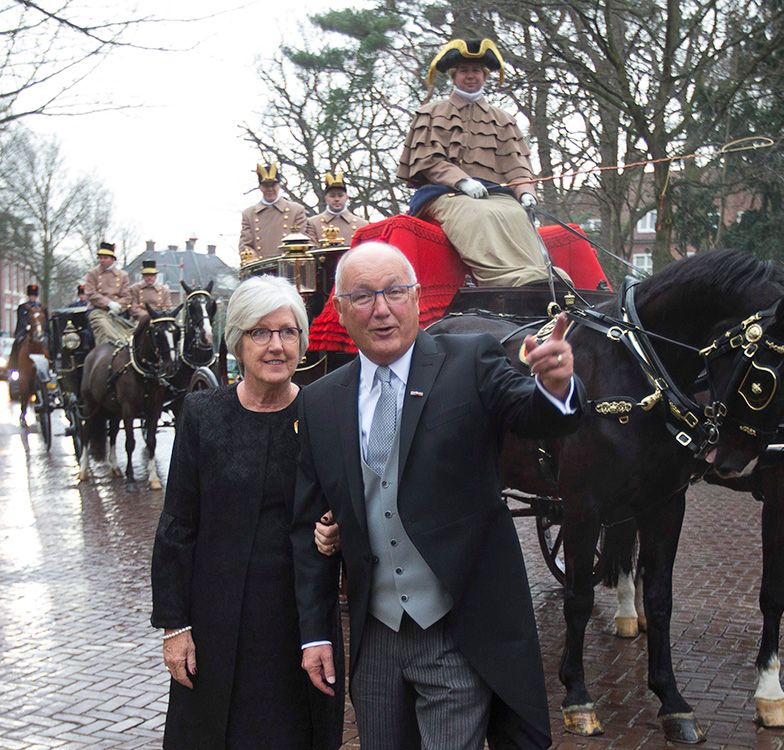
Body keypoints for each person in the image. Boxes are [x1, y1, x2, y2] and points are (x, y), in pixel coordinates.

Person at [291, 240, 582, 749]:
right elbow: (311, 525)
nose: (381, 310)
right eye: (362, 297)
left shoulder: (468, 359)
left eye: (394, 292)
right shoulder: (320, 401)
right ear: (339, 310)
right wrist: (317, 632)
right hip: (374, 637)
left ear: (417, 297)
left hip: (454, 630)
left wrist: (556, 388)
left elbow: (529, 414)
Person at [151, 275, 343, 750]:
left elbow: (354, 504)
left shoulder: (325, 415)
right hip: (214, 623)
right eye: (261, 332)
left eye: (288, 332)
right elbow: (177, 525)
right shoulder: (202, 414)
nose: (276, 346)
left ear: (302, 340)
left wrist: (341, 529)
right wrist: (175, 627)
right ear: (237, 341)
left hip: (297, 623)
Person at [397, 38, 568, 288]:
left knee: (516, 214)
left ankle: (539, 276)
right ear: (454, 75)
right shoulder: (431, 113)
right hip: (444, 194)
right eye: (464, 71)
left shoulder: (503, 119)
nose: (470, 76)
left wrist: (526, 193)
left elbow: (516, 163)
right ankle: (501, 280)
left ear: (485, 75)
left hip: (494, 193)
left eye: (476, 71)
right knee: (479, 214)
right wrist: (462, 181)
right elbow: (429, 160)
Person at [239, 162, 308, 262]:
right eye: (266, 185)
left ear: (279, 185)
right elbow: (245, 245)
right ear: (260, 187)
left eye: (273, 185)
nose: (270, 189)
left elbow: (302, 243)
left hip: (289, 267)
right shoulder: (248, 214)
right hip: (260, 269)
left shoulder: (296, 210)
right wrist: (255, 262)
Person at [84, 241, 134, 345]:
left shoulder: (122, 275)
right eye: (100, 257)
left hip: (117, 312)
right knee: (103, 326)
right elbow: (91, 293)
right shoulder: (92, 273)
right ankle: (114, 346)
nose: (102, 260)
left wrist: (118, 306)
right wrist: (109, 303)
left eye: (105, 258)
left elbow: (127, 296)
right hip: (97, 310)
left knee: (131, 330)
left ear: (112, 259)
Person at [305, 172, 365, 247]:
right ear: (325, 198)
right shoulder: (312, 223)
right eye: (332, 196)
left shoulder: (362, 224)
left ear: (347, 197)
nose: (336, 199)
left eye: (340, 195)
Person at [7, 283, 42, 375]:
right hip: (25, 331)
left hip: (39, 331)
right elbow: (21, 320)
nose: (32, 298)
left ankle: (53, 365)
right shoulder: (22, 307)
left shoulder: (41, 307)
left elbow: (44, 321)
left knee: (49, 343)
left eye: (34, 296)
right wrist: (26, 327)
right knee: (17, 343)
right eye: (31, 296)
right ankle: (12, 368)